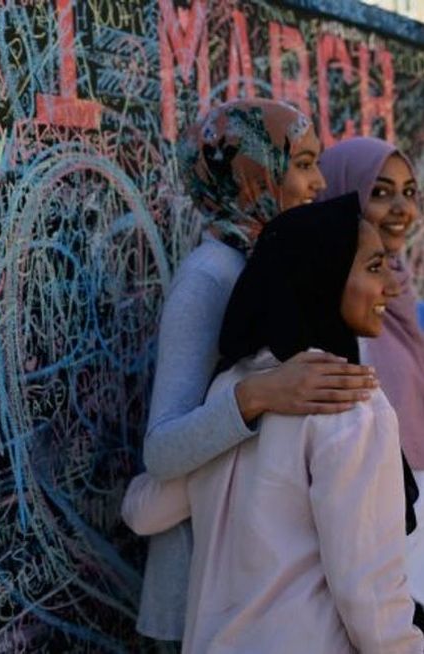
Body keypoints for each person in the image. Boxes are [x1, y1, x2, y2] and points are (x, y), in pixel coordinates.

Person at [123, 193, 422, 652]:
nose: (391, 286)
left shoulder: (230, 392)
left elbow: (143, 510)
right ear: (323, 274)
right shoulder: (347, 404)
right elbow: (370, 595)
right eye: (373, 267)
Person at [138, 99, 378, 638]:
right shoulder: (209, 278)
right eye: (303, 164)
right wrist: (257, 395)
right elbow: (162, 450)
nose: (319, 182)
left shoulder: (269, 261)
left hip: (254, 582)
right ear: (252, 173)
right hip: (198, 588)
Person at [317, 136, 424, 609]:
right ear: (344, 194)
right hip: (377, 542)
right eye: (380, 192)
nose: (401, 208)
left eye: (409, 192)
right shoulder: (338, 312)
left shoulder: (398, 293)